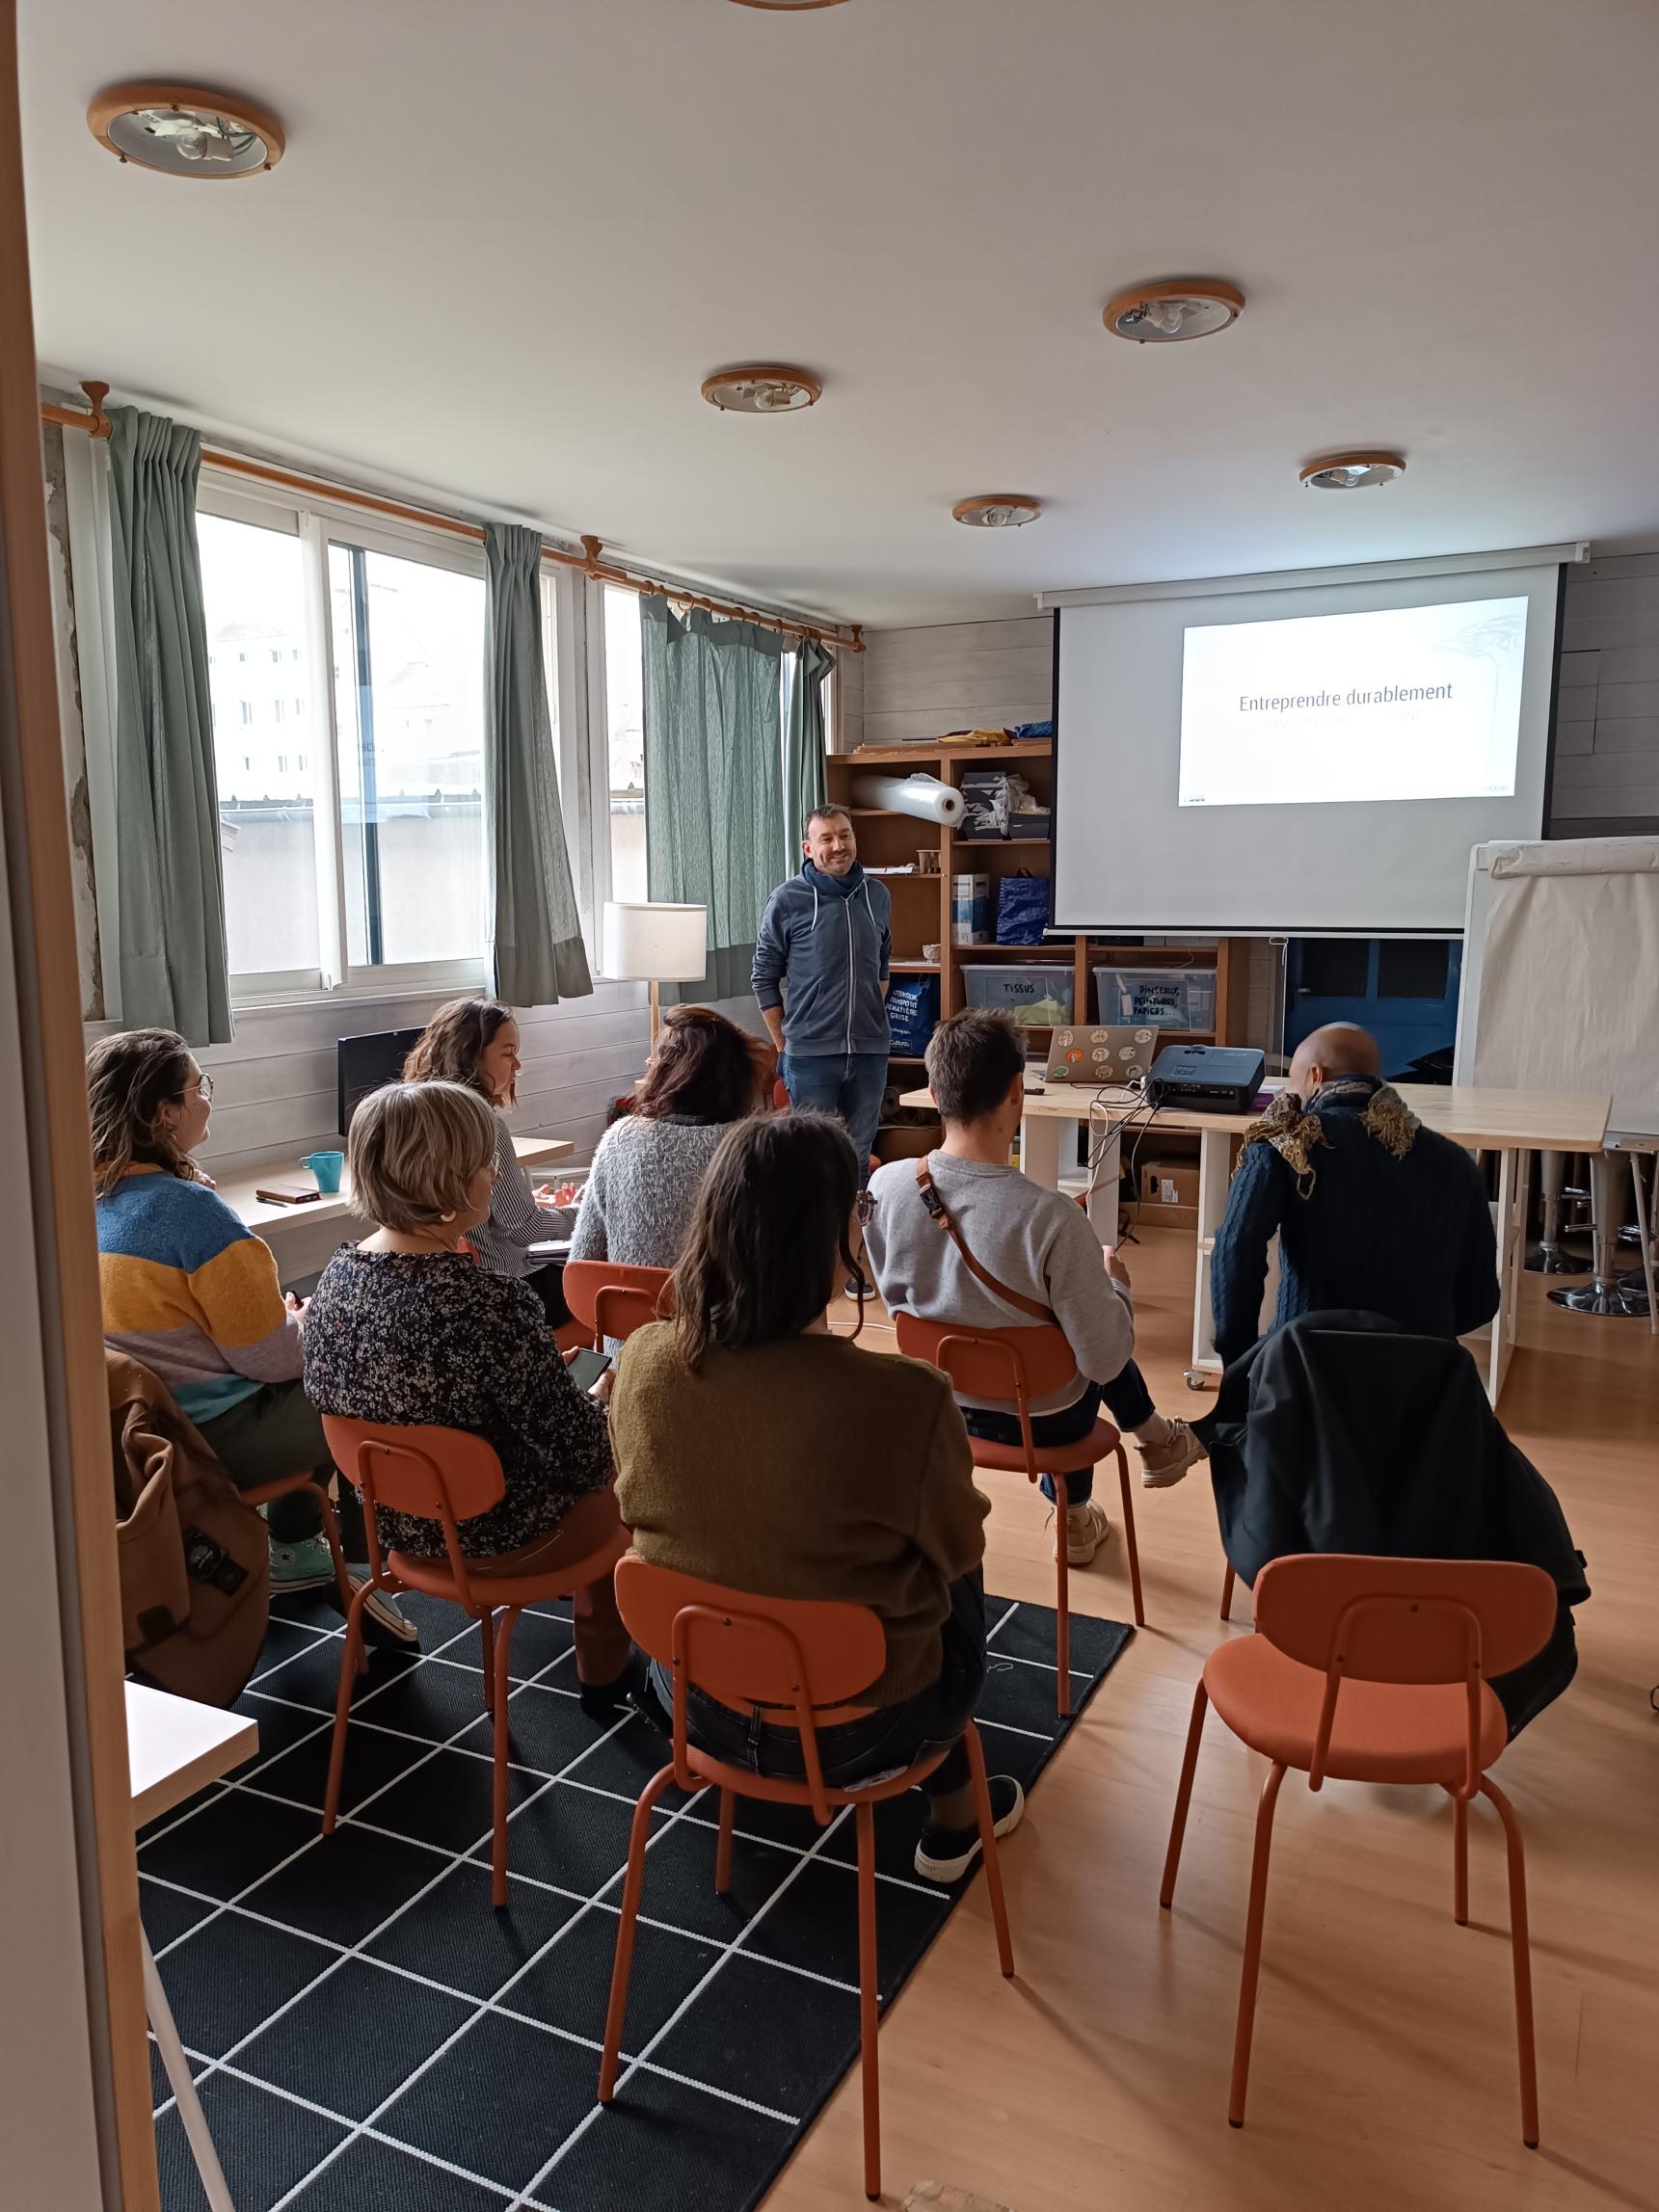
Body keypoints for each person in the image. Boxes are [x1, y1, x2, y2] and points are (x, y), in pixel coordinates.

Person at [608, 1111, 1024, 1884]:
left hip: (690, 1696)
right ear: (830, 1233)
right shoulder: (907, 1397)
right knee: (953, 1571)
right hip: (866, 1725)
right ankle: (953, 1814)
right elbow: (959, 1552)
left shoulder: (643, 1359)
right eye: (859, 1209)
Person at [302, 1080, 633, 1715]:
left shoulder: (334, 1283)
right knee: (627, 1466)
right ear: (448, 1177)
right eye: (488, 1161)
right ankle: (607, 1682)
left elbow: (415, 1399)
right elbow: (581, 1454)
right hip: (509, 1536)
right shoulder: (488, 1303)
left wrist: (534, 1373)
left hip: (399, 1531)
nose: (495, 1173)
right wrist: (600, 1393)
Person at [88, 1027, 413, 1640]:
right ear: (165, 1114)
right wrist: (305, 1318)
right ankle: (352, 1561)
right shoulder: (194, 1215)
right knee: (358, 1381)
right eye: (198, 1088)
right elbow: (274, 1361)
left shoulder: (90, 1202)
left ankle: (295, 1544)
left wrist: (278, 1319)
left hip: (137, 1439)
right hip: (214, 1439)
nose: (208, 1099)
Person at [863, 1009, 1205, 1570]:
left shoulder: (886, 1185)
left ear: (934, 1090)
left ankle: (1146, 1450)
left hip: (939, 1401)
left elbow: (895, 1291)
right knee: (1084, 1329)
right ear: (1017, 1092)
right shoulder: (1051, 1219)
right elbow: (1103, 1358)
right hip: (1043, 1419)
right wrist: (1114, 1288)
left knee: (1057, 1325)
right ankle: (1077, 1510)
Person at [1209, 1023, 1500, 1370]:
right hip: (1421, 1380)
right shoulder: (1454, 1160)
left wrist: (1240, 1359)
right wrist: (1422, 1337)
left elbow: (1235, 1251)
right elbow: (1481, 1299)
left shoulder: (1286, 1147)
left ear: (1316, 1075)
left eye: (1294, 1079)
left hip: (1305, 1371)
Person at [402, 998, 575, 1323]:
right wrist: (585, 1212)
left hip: (444, 1288)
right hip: (509, 1287)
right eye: (508, 1053)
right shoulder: (483, 1124)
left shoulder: (413, 1116)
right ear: (470, 1057)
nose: (517, 1065)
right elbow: (525, 1229)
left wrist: (527, 1201)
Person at [752, 803, 892, 1191]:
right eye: (826, 838)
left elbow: (882, 968)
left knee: (859, 1155)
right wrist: (785, 1042)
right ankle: (816, 1248)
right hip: (810, 1057)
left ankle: (855, 1246)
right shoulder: (787, 900)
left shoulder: (877, 895)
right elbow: (763, 977)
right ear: (807, 848)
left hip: (869, 1054)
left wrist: (869, 1022)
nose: (838, 845)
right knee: (813, 1159)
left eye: (845, 835)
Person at [568, 1004, 768, 1273]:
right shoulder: (752, 1146)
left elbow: (582, 1260)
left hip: (632, 1313)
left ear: (663, 1073)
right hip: (719, 1314)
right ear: (737, 1077)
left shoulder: (618, 1138)